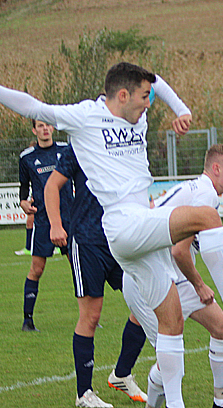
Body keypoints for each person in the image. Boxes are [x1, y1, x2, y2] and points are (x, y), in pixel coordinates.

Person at [0, 56, 223, 408]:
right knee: (207, 216)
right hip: (123, 223)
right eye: (143, 99)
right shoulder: (85, 116)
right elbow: (33, 105)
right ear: (122, 95)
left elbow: (157, 82)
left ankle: (173, 403)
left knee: (171, 323)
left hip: (136, 234)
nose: (147, 105)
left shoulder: (136, 116)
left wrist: (181, 109)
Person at [121, 144, 223, 408]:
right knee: (170, 354)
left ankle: (222, 402)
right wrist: (200, 285)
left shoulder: (199, 190)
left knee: (222, 327)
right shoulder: (205, 194)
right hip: (147, 277)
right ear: (216, 169)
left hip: (172, 274)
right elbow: (180, 250)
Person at [45, 144, 148, 408]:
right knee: (91, 316)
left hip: (121, 238)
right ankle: (84, 394)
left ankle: (122, 374)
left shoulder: (127, 144)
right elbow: (51, 186)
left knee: (145, 304)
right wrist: (56, 224)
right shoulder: (80, 145)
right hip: (88, 241)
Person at [18, 118, 74, 331]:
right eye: (40, 126)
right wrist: (23, 201)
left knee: (77, 266)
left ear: (52, 128)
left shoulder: (66, 150)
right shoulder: (27, 158)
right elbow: (24, 186)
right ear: (35, 130)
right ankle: (28, 320)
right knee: (37, 268)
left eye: (47, 125)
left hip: (68, 218)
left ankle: (89, 318)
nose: (44, 129)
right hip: (43, 221)